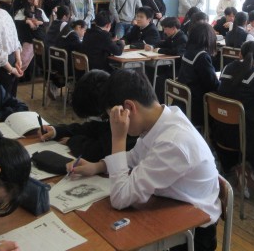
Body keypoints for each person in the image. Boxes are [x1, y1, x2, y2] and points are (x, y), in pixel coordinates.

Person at [70, 70, 221, 251]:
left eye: (113, 118)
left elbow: (120, 198)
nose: (113, 123)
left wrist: (118, 138)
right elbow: (134, 157)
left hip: (194, 234)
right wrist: (98, 166)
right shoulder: (161, 119)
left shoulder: (172, 142)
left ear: (129, 108)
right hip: (171, 208)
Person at [217, 41, 254, 197]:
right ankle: (253, 173)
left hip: (219, 128)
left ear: (239, 54)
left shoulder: (227, 68)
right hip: (243, 134)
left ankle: (237, 167)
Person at [40, 70, 136, 161]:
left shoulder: (128, 122)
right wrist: (57, 131)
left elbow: (96, 152)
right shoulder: (112, 102)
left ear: (102, 112)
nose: (94, 120)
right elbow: (92, 128)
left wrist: (72, 141)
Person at [177, 23, 220, 126]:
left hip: (184, 101)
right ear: (208, 38)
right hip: (197, 105)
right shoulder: (202, 56)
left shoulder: (188, 52)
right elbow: (213, 84)